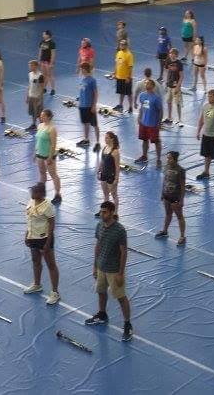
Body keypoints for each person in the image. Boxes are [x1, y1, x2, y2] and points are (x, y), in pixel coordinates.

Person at [85, 201, 133, 342]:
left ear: (112, 212)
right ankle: (102, 314)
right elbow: (98, 245)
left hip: (113, 270)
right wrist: (95, 265)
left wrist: (120, 273)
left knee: (121, 297)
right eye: (101, 211)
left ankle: (127, 324)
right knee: (101, 291)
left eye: (105, 212)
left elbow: (124, 252)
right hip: (101, 267)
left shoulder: (119, 230)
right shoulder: (99, 226)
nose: (102, 214)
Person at [24, 182, 60, 304]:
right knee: (36, 261)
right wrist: (26, 234)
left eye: (34, 191)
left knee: (51, 265)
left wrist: (47, 243)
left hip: (44, 239)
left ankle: (55, 292)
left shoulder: (48, 205)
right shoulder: (31, 201)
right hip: (32, 237)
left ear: (40, 193)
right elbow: (29, 219)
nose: (31, 193)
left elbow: (52, 224)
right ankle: (37, 284)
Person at [155, 151, 187, 245]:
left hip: (175, 198)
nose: (168, 160)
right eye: (167, 158)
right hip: (166, 195)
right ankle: (165, 231)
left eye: (170, 158)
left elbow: (182, 186)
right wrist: (162, 193)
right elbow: (165, 180)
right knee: (168, 214)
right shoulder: (166, 167)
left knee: (179, 216)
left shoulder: (180, 170)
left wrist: (181, 200)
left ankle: (182, 236)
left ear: (175, 159)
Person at [196, 89, 214, 185]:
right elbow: (201, 119)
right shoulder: (205, 106)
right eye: (208, 96)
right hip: (206, 135)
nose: (209, 98)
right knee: (206, 155)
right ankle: (206, 172)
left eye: (211, 96)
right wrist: (198, 131)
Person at [34, 110, 63, 204]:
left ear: (49, 117)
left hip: (48, 155)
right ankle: (41, 194)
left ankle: (57, 194)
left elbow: (53, 145)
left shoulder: (52, 129)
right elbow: (38, 141)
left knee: (53, 175)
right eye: (41, 115)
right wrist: (35, 152)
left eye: (43, 116)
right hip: (40, 154)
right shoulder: (40, 126)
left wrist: (50, 157)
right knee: (42, 174)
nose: (41, 117)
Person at [135, 79, 164, 168]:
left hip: (153, 124)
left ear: (152, 86)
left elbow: (160, 110)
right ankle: (144, 156)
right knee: (144, 140)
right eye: (146, 83)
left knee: (156, 141)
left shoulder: (156, 98)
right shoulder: (142, 95)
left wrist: (159, 123)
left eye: (148, 83)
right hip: (144, 123)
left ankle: (158, 159)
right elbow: (142, 107)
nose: (146, 84)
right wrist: (139, 117)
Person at [77, 63, 101, 150]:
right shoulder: (82, 79)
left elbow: (96, 93)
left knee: (95, 125)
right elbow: (82, 92)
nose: (80, 70)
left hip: (89, 106)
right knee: (85, 123)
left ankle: (98, 142)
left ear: (84, 69)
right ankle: (86, 140)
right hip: (82, 105)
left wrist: (94, 105)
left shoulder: (92, 80)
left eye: (81, 69)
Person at [97, 131, 121, 208]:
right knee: (105, 194)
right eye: (105, 138)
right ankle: (105, 210)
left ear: (112, 139)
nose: (105, 139)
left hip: (111, 175)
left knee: (114, 195)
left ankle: (115, 213)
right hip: (104, 174)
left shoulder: (115, 152)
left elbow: (117, 167)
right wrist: (99, 170)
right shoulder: (105, 148)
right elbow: (102, 160)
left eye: (107, 138)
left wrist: (116, 179)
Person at [113, 39, 135, 113]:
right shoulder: (119, 53)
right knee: (121, 92)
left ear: (126, 45)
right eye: (120, 44)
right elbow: (117, 64)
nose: (121, 46)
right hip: (119, 77)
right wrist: (115, 73)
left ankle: (130, 107)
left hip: (126, 78)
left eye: (123, 44)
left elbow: (130, 67)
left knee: (128, 93)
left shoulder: (129, 54)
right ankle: (120, 106)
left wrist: (128, 77)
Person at [164, 48, 184, 125]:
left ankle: (180, 120)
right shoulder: (168, 61)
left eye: (172, 53)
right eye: (170, 53)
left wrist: (178, 87)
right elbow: (166, 71)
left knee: (178, 103)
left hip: (176, 87)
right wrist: (166, 82)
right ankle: (169, 117)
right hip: (169, 85)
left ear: (176, 55)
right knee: (169, 102)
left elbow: (181, 76)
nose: (171, 55)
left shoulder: (179, 63)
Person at [26, 60, 45, 132]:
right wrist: (27, 96)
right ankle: (34, 124)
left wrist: (40, 99)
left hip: (37, 97)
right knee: (32, 112)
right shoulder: (30, 74)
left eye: (31, 65)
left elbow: (42, 88)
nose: (30, 67)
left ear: (36, 66)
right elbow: (29, 85)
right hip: (31, 96)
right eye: (29, 66)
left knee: (39, 113)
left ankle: (42, 127)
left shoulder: (40, 76)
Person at [39, 31, 57, 96]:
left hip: (48, 61)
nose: (43, 35)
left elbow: (53, 54)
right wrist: (39, 60)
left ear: (48, 35)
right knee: (44, 75)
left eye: (44, 34)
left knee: (50, 75)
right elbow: (40, 51)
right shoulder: (42, 42)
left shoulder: (52, 43)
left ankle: (53, 89)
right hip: (43, 61)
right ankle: (44, 88)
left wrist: (51, 63)